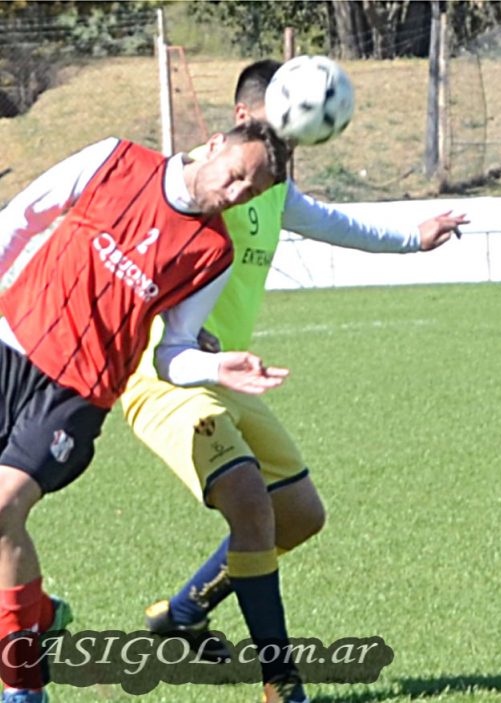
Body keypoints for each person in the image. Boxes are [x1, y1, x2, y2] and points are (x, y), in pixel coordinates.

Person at [119, 60, 469, 703]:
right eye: (281, 124)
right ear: (243, 118)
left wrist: (413, 239)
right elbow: (138, 250)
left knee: (300, 517)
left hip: (228, 374)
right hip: (165, 375)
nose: (289, 142)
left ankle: (185, 611)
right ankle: (281, 684)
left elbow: (334, 224)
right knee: (252, 503)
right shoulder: (202, 176)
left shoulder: (271, 190)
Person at [0, 121, 291, 703]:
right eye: (237, 175)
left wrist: (215, 368)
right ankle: (43, 614)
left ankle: (23, 689)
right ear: (216, 144)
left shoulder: (213, 253)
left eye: (254, 191)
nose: (238, 192)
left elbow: (172, 353)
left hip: (79, 390)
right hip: (13, 350)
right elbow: (25, 213)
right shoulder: (117, 160)